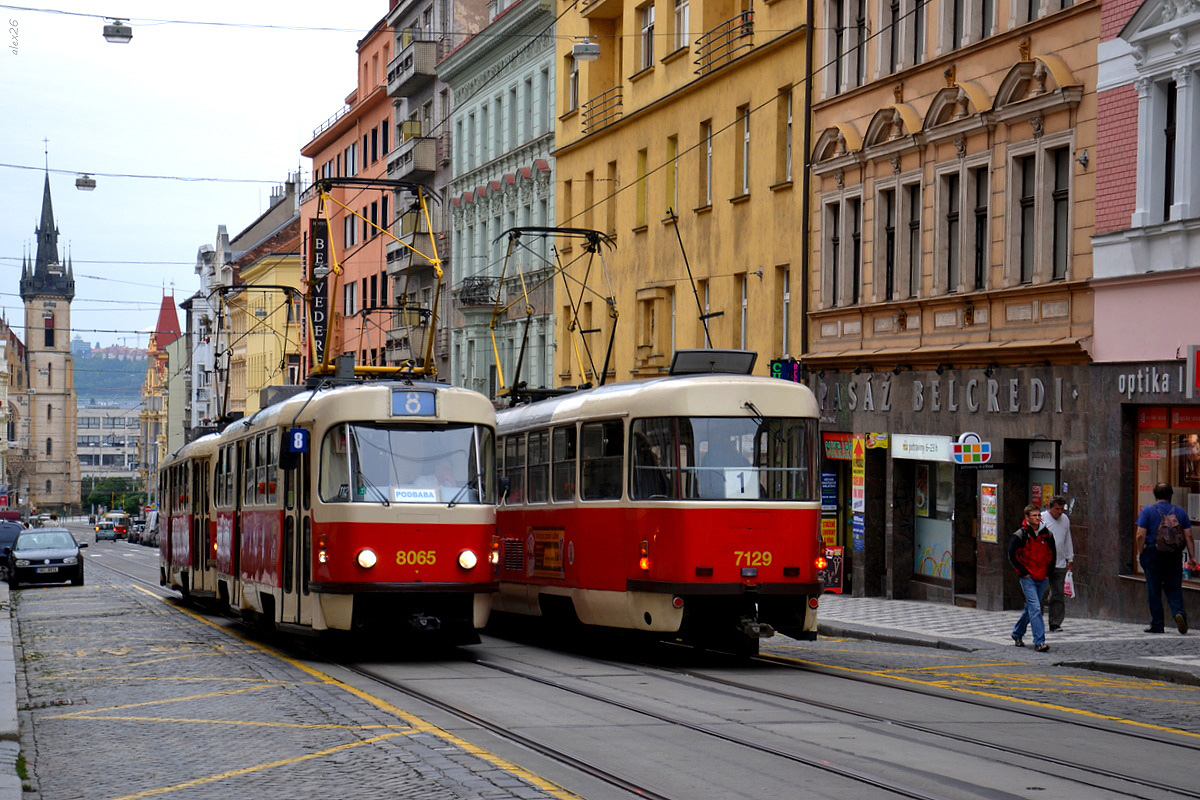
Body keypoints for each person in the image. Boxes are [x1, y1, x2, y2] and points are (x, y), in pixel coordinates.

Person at [1134, 482, 1195, 634]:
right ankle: (1179, 612)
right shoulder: (1180, 512)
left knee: (1153, 589)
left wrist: (1140, 552)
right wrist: (1192, 556)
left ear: (1155, 495)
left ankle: (1157, 624)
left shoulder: (1148, 511)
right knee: (1174, 587)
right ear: (1170, 495)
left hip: (1153, 553)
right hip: (1173, 555)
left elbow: (1140, 534)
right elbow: (1188, 535)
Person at [1008, 504, 1056, 652]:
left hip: (1043, 576)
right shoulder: (1020, 535)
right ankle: (1039, 642)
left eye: (1038, 515)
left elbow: (1052, 554)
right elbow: (1012, 555)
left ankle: (1017, 633)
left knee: (1030, 608)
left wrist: (1049, 573)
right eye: (1034, 516)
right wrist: (1023, 572)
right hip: (1027, 577)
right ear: (1027, 518)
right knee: (1036, 608)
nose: (1037, 518)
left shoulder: (1047, 534)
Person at [1041, 496, 1074, 632]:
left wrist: (1070, 558)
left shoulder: (1065, 519)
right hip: (1044, 563)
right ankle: (1038, 621)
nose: (1059, 512)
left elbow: (1067, 539)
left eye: (1061, 509)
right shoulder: (1042, 519)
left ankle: (1055, 623)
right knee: (1042, 593)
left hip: (1060, 562)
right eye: (1057, 509)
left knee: (1058, 594)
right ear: (1050, 508)